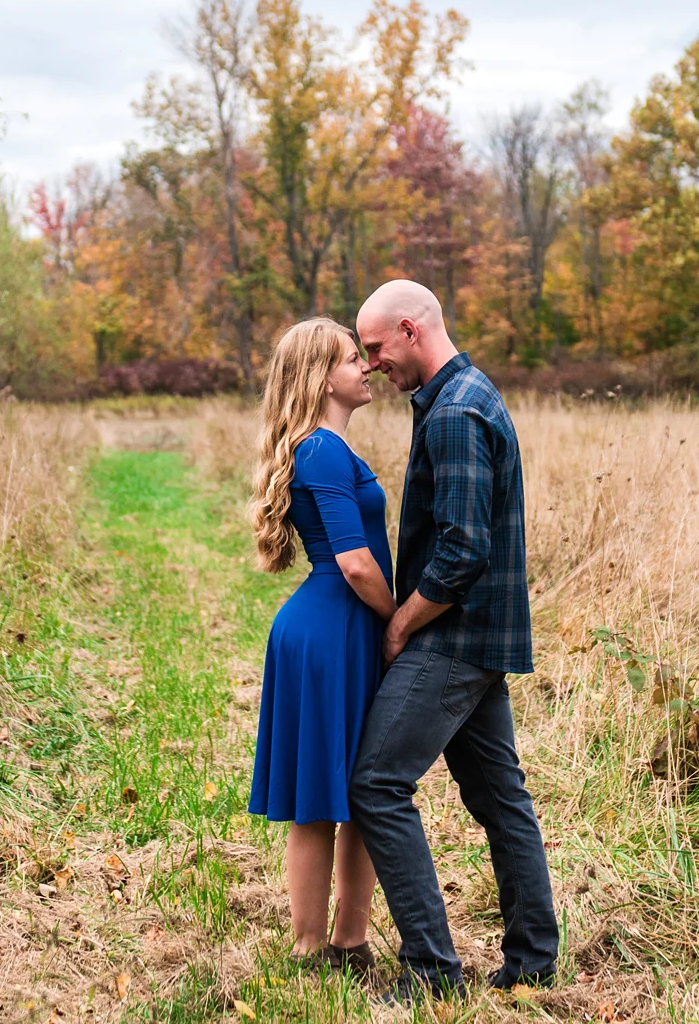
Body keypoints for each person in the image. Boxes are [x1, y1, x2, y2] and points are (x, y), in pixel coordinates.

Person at [348, 279, 559, 997]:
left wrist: (402, 622)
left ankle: (432, 970)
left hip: (455, 638)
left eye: (376, 347)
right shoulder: (460, 395)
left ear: (411, 329)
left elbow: (463, 550)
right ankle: (532, 963)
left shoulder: (456, 413)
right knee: (501, 796)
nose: (372, 363)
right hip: (478, 636)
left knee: (375, 782)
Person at [246, 316, 399, 971]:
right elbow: (358, 564)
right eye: (349, 358)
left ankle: (348, 941)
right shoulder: (323, 450)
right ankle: (315, 945)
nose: (365, 366)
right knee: (321, 798)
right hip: (334, 628)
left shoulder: (331, 446)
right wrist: (401, 623)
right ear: (318, 376)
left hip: (338, 626)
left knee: (356, 792)